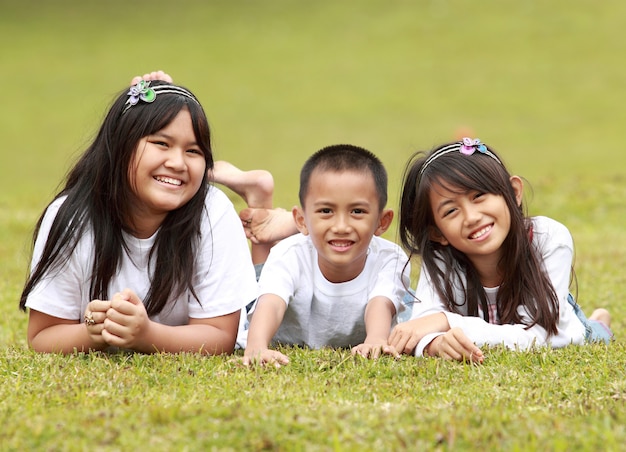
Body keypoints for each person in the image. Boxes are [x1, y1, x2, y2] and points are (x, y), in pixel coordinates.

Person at [19, 73, 258, 354]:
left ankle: (258, 197)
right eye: (161, 144)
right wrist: (93, 333)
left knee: (270, 291)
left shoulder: (213, 212)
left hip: (258, 306)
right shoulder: (71, 218)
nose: (178, 162)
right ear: (121, 145)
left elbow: (221, 337)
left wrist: (147, 335)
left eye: (193, 151)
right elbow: (42, 336)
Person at [388, 138, 613, 362]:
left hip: (557, 320)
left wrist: (447, 322)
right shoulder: (440, 256)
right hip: (489, 325)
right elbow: (419, 327)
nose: (472, 217)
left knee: (593, 334)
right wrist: (436, 344)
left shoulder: (549, 238)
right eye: (451, 211)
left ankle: (598, 320)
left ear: (513, 192)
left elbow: (541, 336)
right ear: (438, 233)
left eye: (478, 196)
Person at [239, 144, 411, 366]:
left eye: (357, 211)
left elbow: (382, 303)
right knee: (258, 282)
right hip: (276, 280)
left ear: (382, 221)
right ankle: (259, 199)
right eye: (326, 211)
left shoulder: (391, 259)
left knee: (411, 307)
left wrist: (376, 340)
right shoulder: (290, 255)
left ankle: (270, 211)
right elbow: (270, 303)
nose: (341, 226)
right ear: (301, 220)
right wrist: (257, 347)